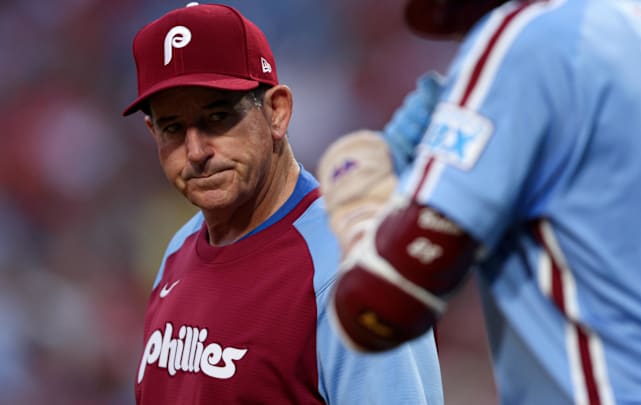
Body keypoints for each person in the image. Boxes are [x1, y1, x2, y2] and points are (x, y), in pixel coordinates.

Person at [319, 0, 641, 402]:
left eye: (467, 25)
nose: (466, 44)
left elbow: (376, 310)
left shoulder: (529, 35)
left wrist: (361, 208)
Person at [121, 3, 444, 404]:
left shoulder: (353, 271)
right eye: (173, 127)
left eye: (218, 117)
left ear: (277, 111)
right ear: (153, 132)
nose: (196, 150)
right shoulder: (179, 250)